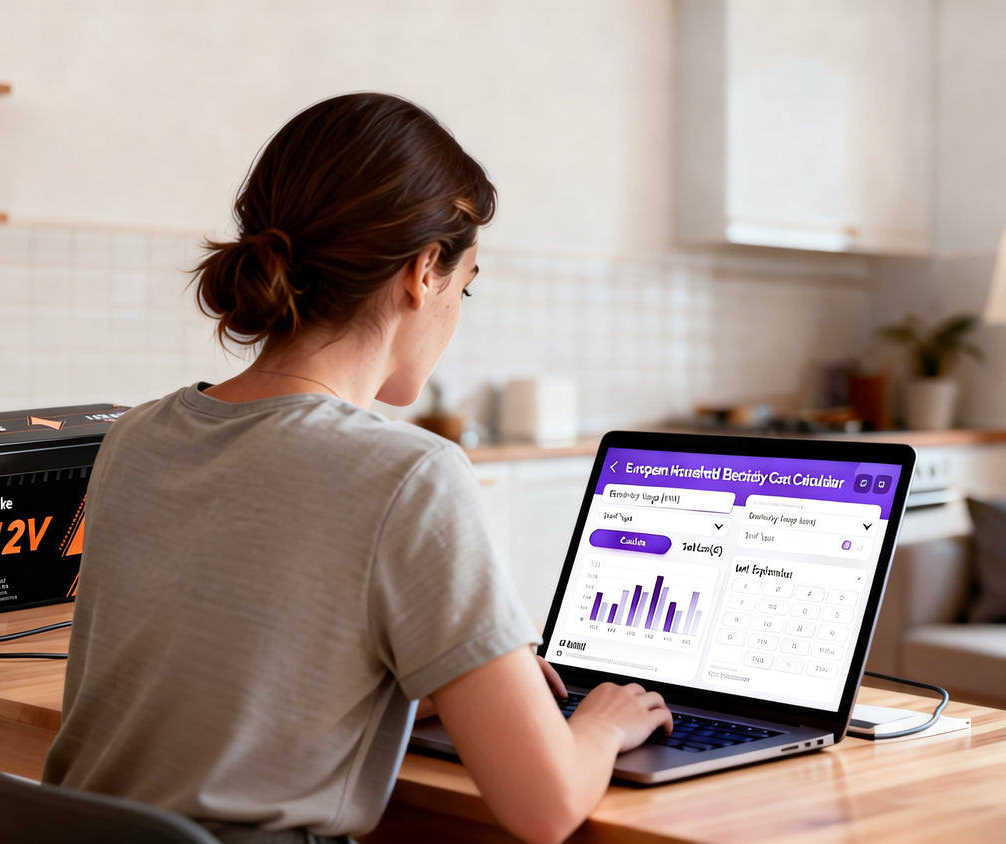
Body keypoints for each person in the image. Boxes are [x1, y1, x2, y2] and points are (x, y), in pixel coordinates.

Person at [42, 92, 672, 844]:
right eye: (465, 286)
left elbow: (237, 677)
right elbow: (545, 806)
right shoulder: (411, 473)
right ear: (425, 271)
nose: (457, 312)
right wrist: (601, 724)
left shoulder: (137, 436)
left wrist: (409, 685)